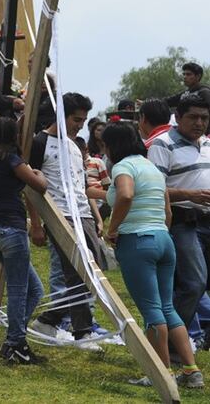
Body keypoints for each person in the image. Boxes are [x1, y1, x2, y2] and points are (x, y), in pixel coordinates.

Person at [102, 122, 203, 388]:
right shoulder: (151, 168)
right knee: (168, 308)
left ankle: (161, 372)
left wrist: (112, 229)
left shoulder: (123, 167)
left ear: (112, 146)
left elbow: (125, 195)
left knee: (151, 311)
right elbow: (167, 212)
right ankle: (191, 370)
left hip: (137, 241)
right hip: (163, 239)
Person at [28, 93, 110, 350]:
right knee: (76, 272)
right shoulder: (39, 142)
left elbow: (82, 186)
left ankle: (48, 319)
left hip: (83, 213)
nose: (79, 125)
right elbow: (29, 185)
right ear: (61, 116)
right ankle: (82, 332)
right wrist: (36, 223)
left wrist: (96, 214)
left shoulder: (76, 146)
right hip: (59, 214)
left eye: (83, 120)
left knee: (96, 267)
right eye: (76, 119)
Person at [0, 117, 50, 365]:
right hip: (11, 231)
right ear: (12, 137)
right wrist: (37, 172)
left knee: (35, 289)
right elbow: (39, 186)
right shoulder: (9, 159)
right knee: (19, 290)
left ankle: (14, 338)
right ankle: (16, 345)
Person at [147, 95, 210, 327]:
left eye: (204, 118)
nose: (199, 123)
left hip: (207, 220)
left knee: (199, 283)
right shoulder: (163, 144)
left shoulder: (207, 144)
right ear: (179, 117)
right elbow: (153, 188)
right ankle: (172, 343)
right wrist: (188, 194)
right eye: (193, 117)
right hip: (182, 222)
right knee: (193, 284)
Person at [166, 63, 210, 133]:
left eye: (188, 74)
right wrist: (146, 103)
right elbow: (167, 102)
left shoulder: (205, 92)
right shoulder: (186, 93)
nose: (185, 77)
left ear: (198, 76)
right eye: (184, 74)